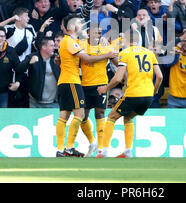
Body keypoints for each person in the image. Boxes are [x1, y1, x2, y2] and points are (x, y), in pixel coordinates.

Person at [55, 15, 116, 157]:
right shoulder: (73, 42)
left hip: (76, 81)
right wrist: (107, 55)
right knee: (80, 115)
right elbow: (86, 58)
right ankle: (69, 147)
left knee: (65, 115)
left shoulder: (73, 42)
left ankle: (62, 149)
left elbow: (63, 59)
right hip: (73, 82)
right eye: (78, 23)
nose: (81, 25)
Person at [96, 29, 163, 158]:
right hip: (148, 96)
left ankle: (103, 151)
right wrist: (154, 90)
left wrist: (105, 88)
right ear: (139, 40)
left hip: (133, 93)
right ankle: (128, 151)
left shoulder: (125, 53)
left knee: (111, 117)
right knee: (128, 118)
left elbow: (117, 78)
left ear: (126, 40)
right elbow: (159, 76)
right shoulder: (149, 53)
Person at [79, 26, 118, 157]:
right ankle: (92, 142)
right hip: (84, 85)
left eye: (100, 33)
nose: (99, 34)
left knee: (100, 114)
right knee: (82, 117)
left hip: (101, 85)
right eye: (96, 32)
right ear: (89, 33)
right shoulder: (81, 44)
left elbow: (117, 63)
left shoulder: (106, 46)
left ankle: (101, 149)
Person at [17, 37, 60, 108]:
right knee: (34, 119)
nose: (54, 48)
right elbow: (19, 69)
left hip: (54, 102)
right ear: (44, 47)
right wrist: (28, 63)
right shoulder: (32, 57)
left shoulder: (56, 58)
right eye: (51, 46)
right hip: (35, 102)